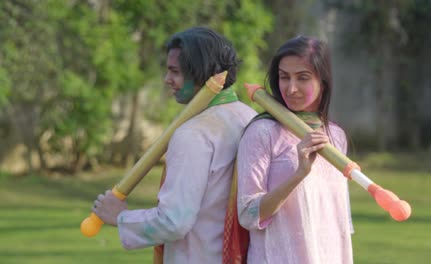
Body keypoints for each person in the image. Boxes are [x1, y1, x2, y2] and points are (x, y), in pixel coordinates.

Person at [93, 27, 257, 263]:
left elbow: (174, 221)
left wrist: (120, 217)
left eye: (175, 72)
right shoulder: (250, 118)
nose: (167, 79)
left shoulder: (194, 133)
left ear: (201, 73)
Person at [237, 36, 354, 263]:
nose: (291, 89)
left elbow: (340, 221)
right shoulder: (262, 132)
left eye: (302, 78)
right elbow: (248, 213)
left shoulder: (336, 136)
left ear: (324, 81)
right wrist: (299, 173)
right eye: (284, 77)